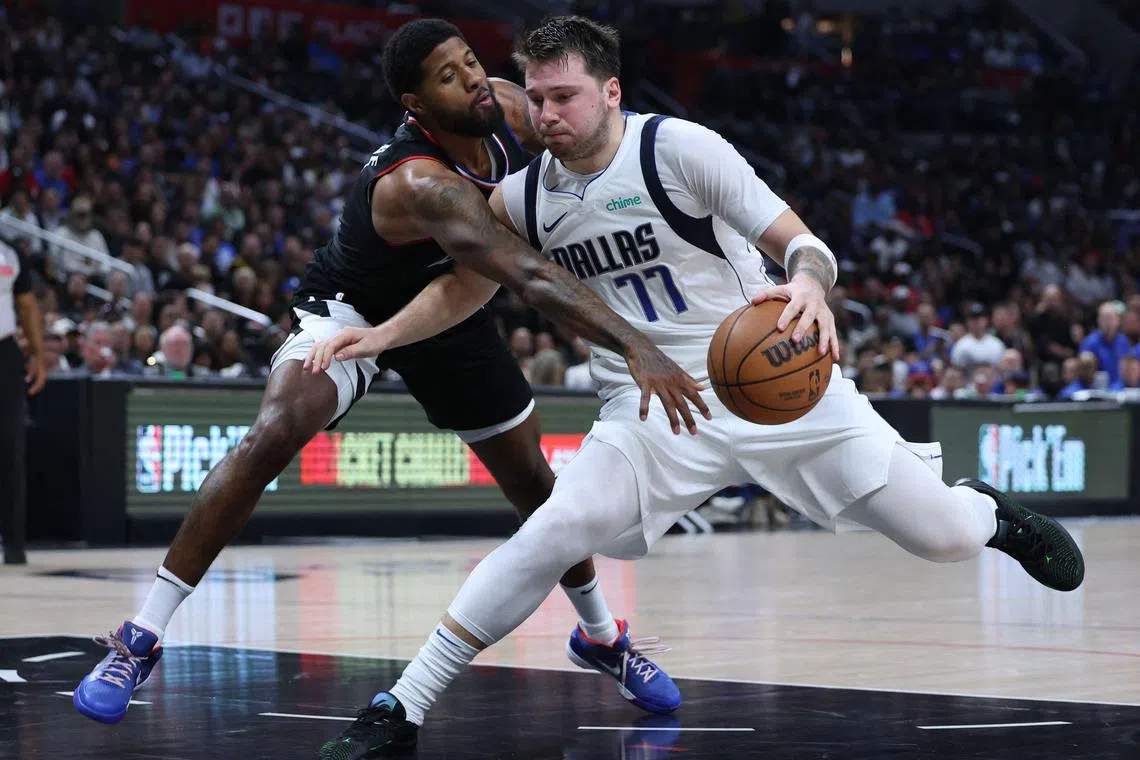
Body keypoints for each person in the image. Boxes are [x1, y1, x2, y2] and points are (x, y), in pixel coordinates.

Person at [310, 17, 1086, 757]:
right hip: (654, 409)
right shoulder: (520, 199)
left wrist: (811, 284)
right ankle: (402, 706)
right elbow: (466, 288)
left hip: (781, 386)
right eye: (536, 98)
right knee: (556, 527)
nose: (545, 115)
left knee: (946, 538)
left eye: (565, 96)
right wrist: (382, 335)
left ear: (611, 91)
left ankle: (989, 512)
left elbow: (800, 242)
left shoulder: (678, 150)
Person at [72, 19, 707, 726]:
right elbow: (525, 271)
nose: (470, 77)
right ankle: (140, 638)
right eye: (447, 76)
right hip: (356, 313)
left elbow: (590, 138)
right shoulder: (420, 183)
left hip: (450, 314)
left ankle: (600, 638)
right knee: (274, 432)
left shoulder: (503, 105)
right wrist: (637, 346)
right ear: (415, 104)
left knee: (535, 482)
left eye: (469, 61)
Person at [0, 236, 45, 565]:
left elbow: (27, 304)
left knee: (11, 447)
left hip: (4, 353)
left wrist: (39, 355)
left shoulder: (9, 250)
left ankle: (14, 542)